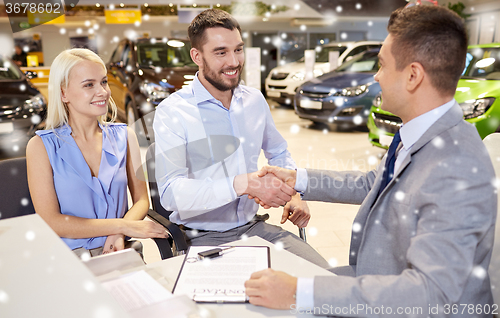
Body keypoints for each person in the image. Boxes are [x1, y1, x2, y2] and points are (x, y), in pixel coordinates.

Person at [245, 5, 497, 315]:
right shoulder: (418, 132)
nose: (376, 76)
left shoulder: (456, 167)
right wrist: (298, 179)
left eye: (381, 64)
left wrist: (300, 292)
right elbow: (372, 183)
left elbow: (430, 293)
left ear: (413, 75)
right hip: (380, 280)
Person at [153, 9, 328, 268]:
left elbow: (278, 152)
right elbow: (171, 195)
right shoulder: (173, 111)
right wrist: (242, 184)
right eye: (221, 52)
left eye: (238, 49)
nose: (234, 61)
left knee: (324, 277)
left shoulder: (254, 100)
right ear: (197, 56)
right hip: (202, 239)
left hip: (255, 229)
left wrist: (292, 193)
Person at [26, 48, 168, 258]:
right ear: (63, 93)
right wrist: (122, 227)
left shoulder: (125, 136)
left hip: (121, 252)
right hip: (69, 261)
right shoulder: (40, 147)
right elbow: (51, 221)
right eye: (88, 85)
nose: (102, 91)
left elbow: (141, 200)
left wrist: (119, 233)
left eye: (103, 82)